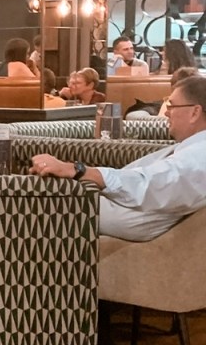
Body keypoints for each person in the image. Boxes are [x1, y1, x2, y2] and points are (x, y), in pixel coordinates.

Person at [30, 74, 206, 242]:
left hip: (125, 215)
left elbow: (148, 186)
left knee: (35, 199)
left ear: (194, 112)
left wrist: (79, 170)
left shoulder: (198, 156)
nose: (166, 113)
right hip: (116, 206)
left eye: (172, 106)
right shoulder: (193, 147)